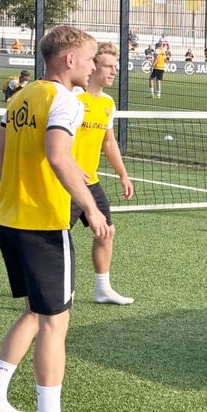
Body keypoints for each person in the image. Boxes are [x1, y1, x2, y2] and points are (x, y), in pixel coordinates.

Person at [0, 25, 113, 412]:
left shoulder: (20, 96)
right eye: (89, 59)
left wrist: (20, 192)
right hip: (42, 227)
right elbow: (58, 155)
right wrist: (90, 207)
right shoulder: (66, 101)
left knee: (36, 313)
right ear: (69, 59)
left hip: (9, 221)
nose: (92, 66)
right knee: (56, 321)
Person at [71, 42, 135, 305]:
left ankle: (103, 289)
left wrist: (123, 174)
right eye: (108, 66)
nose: (113, 72)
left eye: (115, 67)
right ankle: (53, 289)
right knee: (54, 237)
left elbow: (108, 142)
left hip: (91, 182)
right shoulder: (73, 98)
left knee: (106, 231)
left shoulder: (108, 103)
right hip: (66, 182)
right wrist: (72, 168)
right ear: (93, 66)